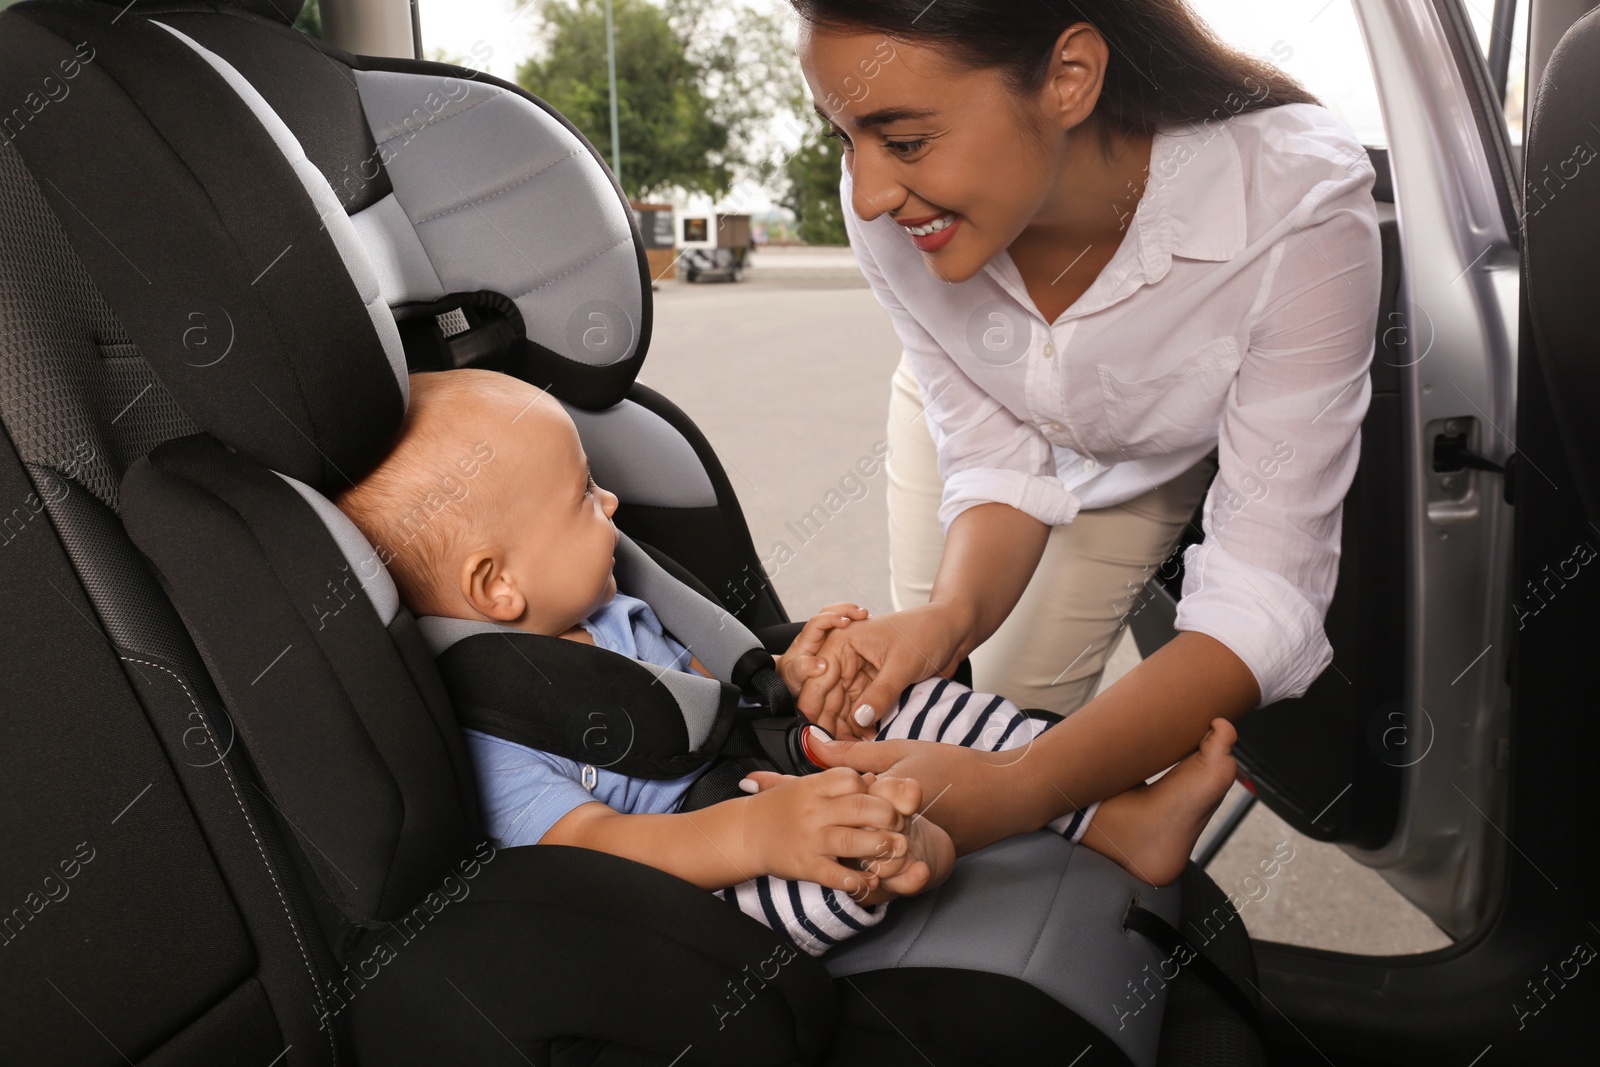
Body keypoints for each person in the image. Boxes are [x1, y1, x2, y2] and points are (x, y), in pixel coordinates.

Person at [335, 369, 1241, 957]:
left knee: (919, 700)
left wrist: (792, 679)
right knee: (810, 882)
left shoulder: (608, 603)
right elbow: (594, 847)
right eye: (582, 499)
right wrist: (757, 836)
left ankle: (1117, 821)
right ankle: (906, 843)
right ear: (496, 587)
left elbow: (705, 692)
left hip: (766, 757)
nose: (610, 500)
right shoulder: (493, 729)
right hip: (705, 865)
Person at [785, 1, 1383, 854]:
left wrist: (1021, 786)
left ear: (1070, 76)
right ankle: (1111, 826)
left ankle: (1102, 833)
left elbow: (1265, 597)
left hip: (1141, 454)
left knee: (1022, 734)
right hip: (969, 413)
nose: (870, 195)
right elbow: (994, 452)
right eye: (845, 139)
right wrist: (950, 616)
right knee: (939, 692)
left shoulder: (1300, 208)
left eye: (906, 141)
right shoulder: (895, 208)